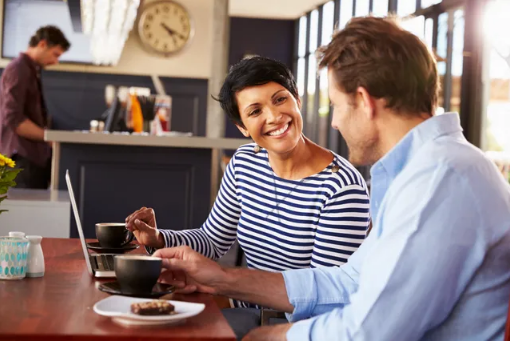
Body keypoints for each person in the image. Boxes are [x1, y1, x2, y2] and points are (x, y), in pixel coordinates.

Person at [151, 16, 510, 341]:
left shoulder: (441, 180)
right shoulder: (429, 171)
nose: (334, 122)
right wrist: (220, 279)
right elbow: (348, 282)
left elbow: (368, 331)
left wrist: (274, 337)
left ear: (364, 101)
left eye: (336, 104)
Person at [125, 57, 371, 330]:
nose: (274, 116)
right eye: (255, 111)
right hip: (241, 312)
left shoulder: (340, 188)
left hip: (291, 328)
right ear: (243, 127)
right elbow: (213, 240)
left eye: (280, 99)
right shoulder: (244, 163)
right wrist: (158, 238)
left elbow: (327, 298)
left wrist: (271, 335)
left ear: (297, 100)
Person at [0, 26, 70, 189]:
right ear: (43, 44)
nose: (55, 61)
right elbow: (14, 120)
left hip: (29, 159)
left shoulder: (29, 69)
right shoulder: (18, 69)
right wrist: (49, 137)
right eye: (55, 54)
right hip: (21, 160)